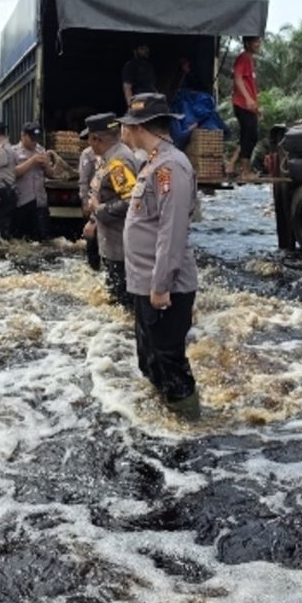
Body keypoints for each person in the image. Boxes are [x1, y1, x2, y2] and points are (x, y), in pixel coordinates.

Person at [120, 93, 200, 418]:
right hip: (145, 283)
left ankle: (188, 427)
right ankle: (163, 418)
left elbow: (172, 230)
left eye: (125, 125)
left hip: (164, 287)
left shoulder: (170, 167)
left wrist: (161, 284)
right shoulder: (151, 163)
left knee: (170, 361)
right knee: (151, 358)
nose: (122, 131)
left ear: (138, 127)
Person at [82, 113, 138, 309]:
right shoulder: (109, 158)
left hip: (120, 248)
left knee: (124, 305)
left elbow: (131, 201)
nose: (89, 144)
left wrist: (100, 209)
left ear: (96, 139)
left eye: (89, 138)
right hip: (112, 243)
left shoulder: (118, 162)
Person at [226, 35, 262, 180]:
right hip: (242, 103)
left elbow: (249, 85)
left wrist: (256, 108)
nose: (259, 44)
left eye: (259, 41)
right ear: (247, 43)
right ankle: (245, 172)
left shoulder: (250, 59)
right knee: (250, 137)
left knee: (248, 137)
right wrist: (247, 99)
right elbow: (238, 77)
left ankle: (232, 165)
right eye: (256, 42)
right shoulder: (244, 57)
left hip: (247, 105)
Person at [11, 122, 53, 240]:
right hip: (21, 202)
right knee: (20, 240)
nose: (35, 141)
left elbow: (50, 174)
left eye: (37, 138)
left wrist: (46, 165)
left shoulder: (41, 150)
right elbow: (12, 173)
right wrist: (32, 161)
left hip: (40, 202)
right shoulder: (13, 151)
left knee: (42, 239)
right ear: (23, 136)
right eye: (32, 138)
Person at [78, 141, 102, 271]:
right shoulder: (88, 154)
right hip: (93, 203)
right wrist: (85, 202)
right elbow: (83, 180)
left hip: (104, 205)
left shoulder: (118, 154)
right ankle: (93, 266)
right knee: (92, 240)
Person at [121, 42, 156, 107]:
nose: (146, 51)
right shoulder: (130, 65)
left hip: (151, 100)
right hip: (139, 100)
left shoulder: (149, 66)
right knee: (140, 116)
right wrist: (131, 106)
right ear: (135, 51)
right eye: (142, 49)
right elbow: (127, 87)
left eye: (146, 48)